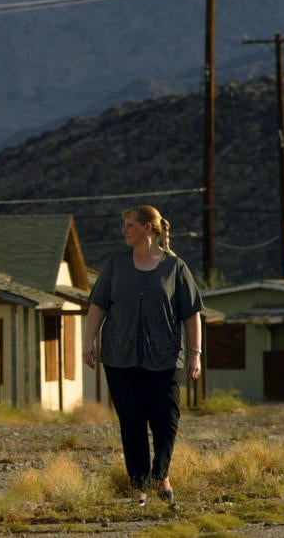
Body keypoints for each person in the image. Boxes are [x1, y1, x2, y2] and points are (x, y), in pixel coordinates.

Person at [82, 205, 203, 508]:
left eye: (130, 226)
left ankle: (160, 475)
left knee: (166, 420)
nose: (124, 231)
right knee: (132, 422)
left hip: (165, 358)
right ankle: (139, 487)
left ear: (147, 229)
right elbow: (98, 306)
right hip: (120, 357)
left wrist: (195, 354)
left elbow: (191, 315)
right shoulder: (116, 265)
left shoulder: (175, 268)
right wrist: (88, 341)